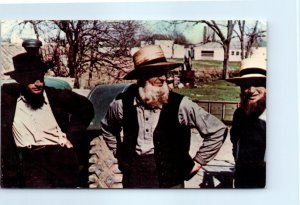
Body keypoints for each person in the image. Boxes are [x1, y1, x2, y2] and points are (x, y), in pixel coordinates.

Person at [101, 45, 228, 188]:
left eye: (164, 73)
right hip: (134, 179)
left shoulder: (181, 105)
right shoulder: (122, 103)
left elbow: (217, 130)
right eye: (156, 73)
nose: (163, 78)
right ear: (141, 77)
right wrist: (118, 152)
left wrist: (198, 162)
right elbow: (107, 127)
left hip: (170, 182)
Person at [1, 51, 94, 188]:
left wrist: (72, 137)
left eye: (40, 78)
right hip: (30, 161)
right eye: (32, 79)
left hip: (60, 157)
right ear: (20, 79)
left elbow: (86, 107)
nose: (38, 83)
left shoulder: (55, 96)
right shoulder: (8, 99)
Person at [226, 57, 267, 188]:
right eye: (246, 85)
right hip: (242, 179)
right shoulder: (239, 114)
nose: (251, 90)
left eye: (257, 83)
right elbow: (235, 141)